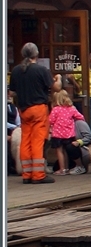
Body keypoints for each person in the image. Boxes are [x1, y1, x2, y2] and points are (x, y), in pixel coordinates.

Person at [9, 42, 62, 183]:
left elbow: (12, 92)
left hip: (23, 110)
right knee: (37, 141)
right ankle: (38, 175)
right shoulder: (41, 70)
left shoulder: (15, 71)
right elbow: (56, 88)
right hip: (39, 109)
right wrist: (59, 78)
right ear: (36, 54)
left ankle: (26, 174)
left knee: (25, 140)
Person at [48, 89, 86, 175]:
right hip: (69, 134)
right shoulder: (71, 109)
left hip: (57, 134)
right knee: (67, 150)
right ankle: (68, 167)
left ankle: (62, 169)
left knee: (60, 151)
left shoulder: (55, 109)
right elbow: (81, 117)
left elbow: (50, 120)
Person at [6, 89, 19, 176]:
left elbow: (18, 121)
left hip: (13, 131)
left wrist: (17, 129)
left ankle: (17, 166)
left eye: (8, 93)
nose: (8, 95)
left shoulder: (14, 107)